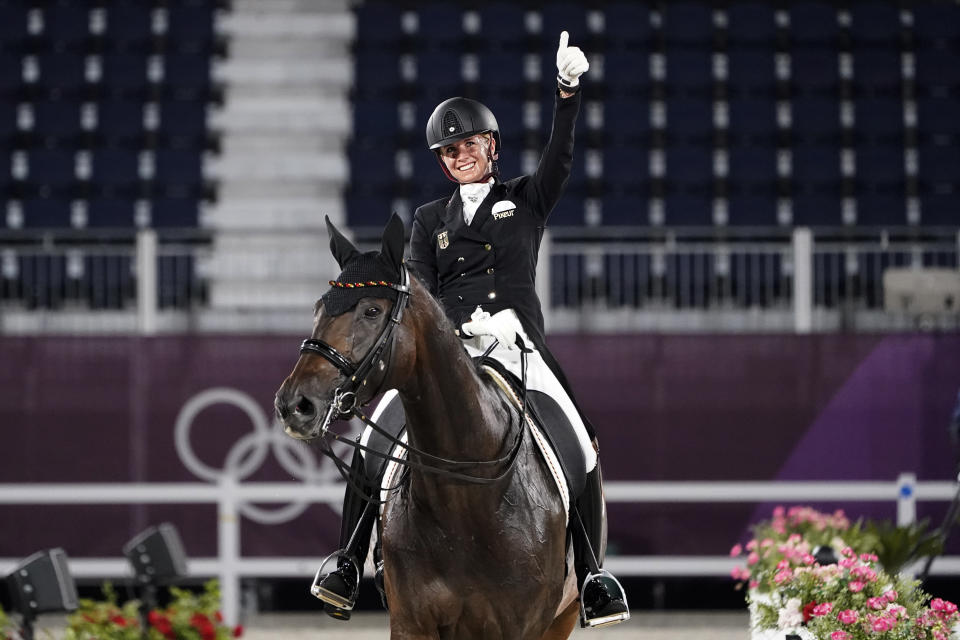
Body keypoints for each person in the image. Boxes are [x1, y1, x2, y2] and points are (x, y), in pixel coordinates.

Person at [313, 31, 629, 628]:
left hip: (517, 344)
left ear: (491, 146)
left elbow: (559, 159)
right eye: (449, 150)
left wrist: (567, 94)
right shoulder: (430, 219)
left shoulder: (525, 200)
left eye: (468, 144)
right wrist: (452, 330)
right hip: (452, 348)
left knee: (578, 440)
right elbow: (418, 288)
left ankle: (591, 576)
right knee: (380, 435)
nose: (459, 155)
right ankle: (348, 560)